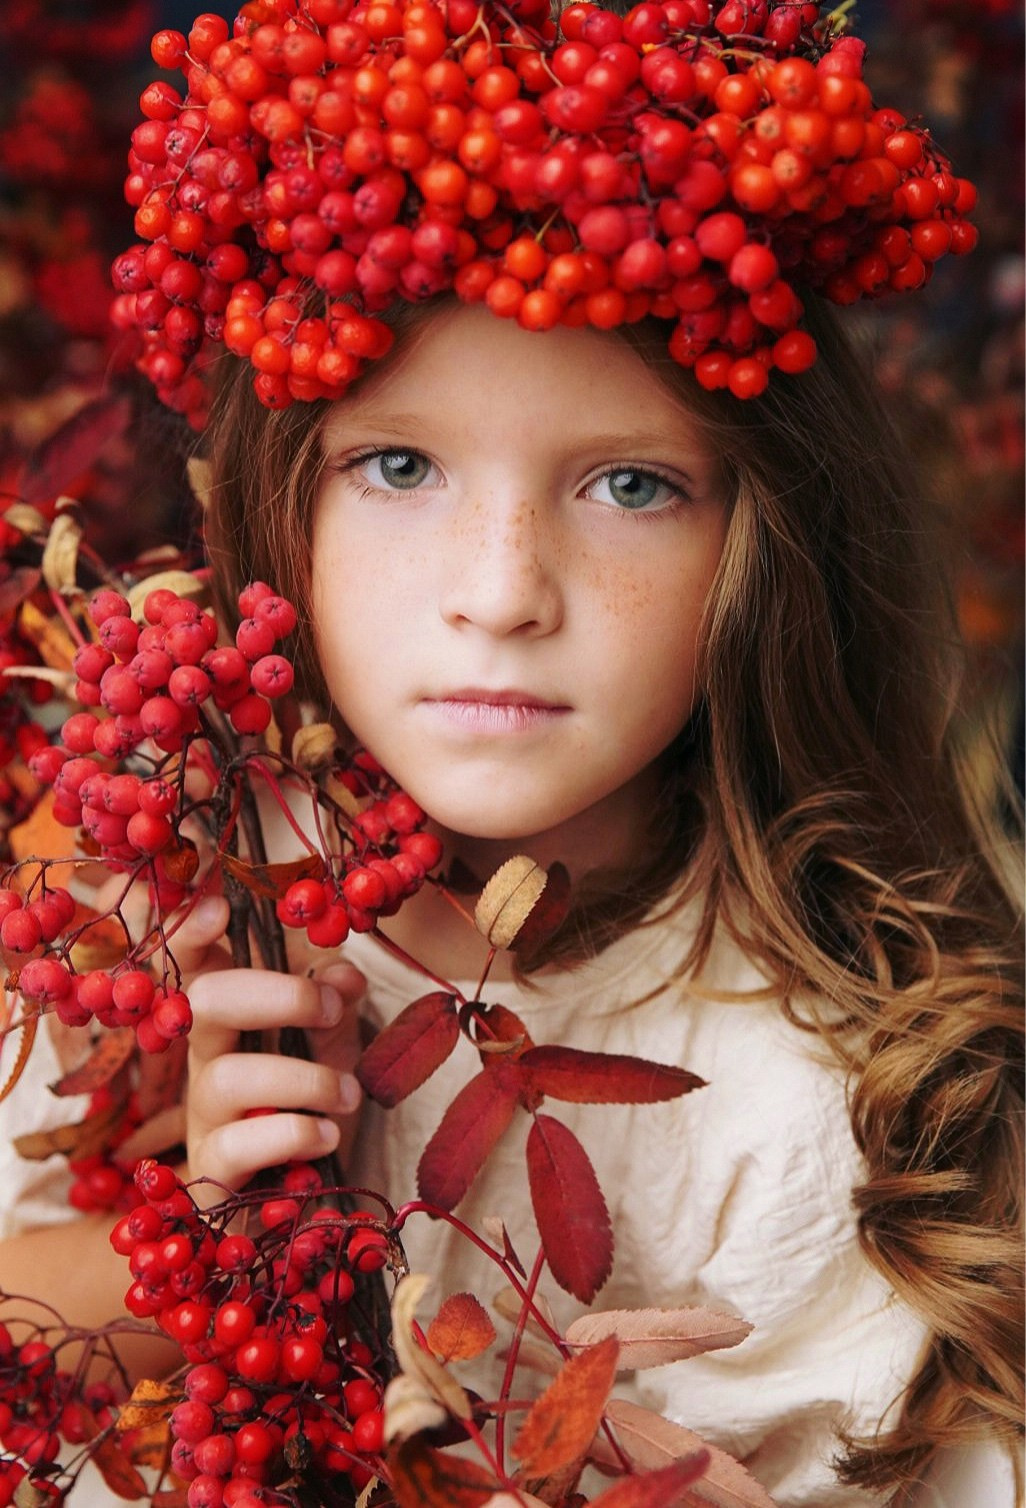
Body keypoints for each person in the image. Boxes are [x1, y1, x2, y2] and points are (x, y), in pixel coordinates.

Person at [1, 2, 1023, 1505]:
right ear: (286, 501)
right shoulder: (158, 890)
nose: (499, 590)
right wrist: (214, 1237)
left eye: (628, 484)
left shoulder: (827, 1080)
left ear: (764, 541)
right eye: (399, 466)